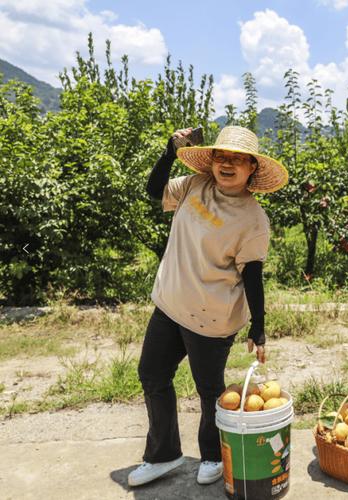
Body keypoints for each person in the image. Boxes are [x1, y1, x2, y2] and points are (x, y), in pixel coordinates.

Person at [127, 126, 288, 488]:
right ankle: (164, 454)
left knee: (211, 392)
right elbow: (154, 192)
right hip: (170, 304)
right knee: (152, 375)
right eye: (221, 157)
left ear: (251, 168)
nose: (226, 164)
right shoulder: (194, 184)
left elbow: (252, 276)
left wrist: (258, 326)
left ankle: (213, 455)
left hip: (212, 318)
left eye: (237, 159)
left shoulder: (253, 219)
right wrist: (170, 151)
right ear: (211, 161)